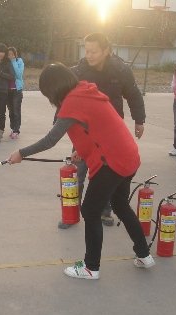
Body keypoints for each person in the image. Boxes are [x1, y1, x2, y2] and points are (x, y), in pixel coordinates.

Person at [7, 63, 155, 280]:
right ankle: (144, 255)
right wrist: (83, 152)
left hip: (112, 162)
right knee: (121, 205)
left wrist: (22, 152)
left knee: (90, 211)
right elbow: (97, 128)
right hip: (128, 155)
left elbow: (50, 140)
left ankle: (90, 267)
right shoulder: (86, 91)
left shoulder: (72, 102)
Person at [59, 32, 146, 229]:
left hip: (111, 136)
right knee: (78, 171)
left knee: (108, 173)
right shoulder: (78, 72)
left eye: (94, 51)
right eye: (86, 50)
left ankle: (105, 210)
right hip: (84, 132)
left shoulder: (120, 70)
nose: (89, 55)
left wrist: (139, 120)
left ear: (106, 51)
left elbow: (133, 94)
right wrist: (60, 122)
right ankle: (71, 212)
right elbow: (64, 99)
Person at [7, 47, 24, 139]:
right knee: (11, 111)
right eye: (8, 54)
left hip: (17, 90)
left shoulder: (19, 61)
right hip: (8, 90)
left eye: (12, 54)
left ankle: (16, 130)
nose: (10, 56)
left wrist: (13, 61)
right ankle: (13, 128)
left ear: (15, 54)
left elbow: (18, 74)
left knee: (16, 110)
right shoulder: (5, 63)